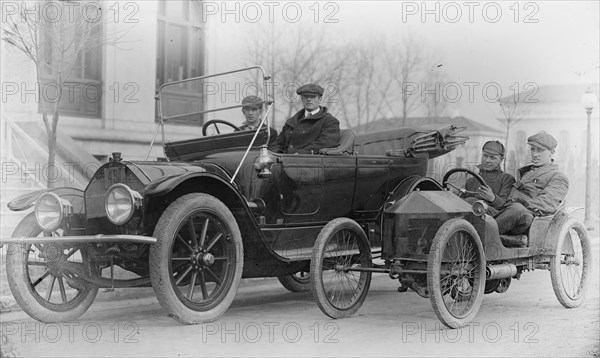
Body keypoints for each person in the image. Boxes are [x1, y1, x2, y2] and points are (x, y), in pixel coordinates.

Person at [494, 132, 569, 235]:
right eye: (532, 149)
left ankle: (476, 240)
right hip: (508, 212)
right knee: (476, 205)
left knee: (517, 209)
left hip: (529, 219)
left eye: (540, 150)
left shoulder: (558, 177)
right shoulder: (526, 172)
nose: (534, 154)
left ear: (551, 152)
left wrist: (519, 203)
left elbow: (547, 202)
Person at [269, 83, 340, 154]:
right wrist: (270, 155)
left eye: (313, 97)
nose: (309, 99)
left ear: (320, 99)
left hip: (309, 161)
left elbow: (325, 142)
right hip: (285, 160)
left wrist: (300, 153)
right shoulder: (291, 122)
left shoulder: (329, 121)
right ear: (302, 99)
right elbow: (278, 144)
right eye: (306, 96)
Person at [461, 141, 516, 215]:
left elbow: (506, 206)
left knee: (472, 201)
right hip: (470, 216)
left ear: (501, 160)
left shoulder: (507, 179)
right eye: (485, 156)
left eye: (492, 158)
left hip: (495, 219)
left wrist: (493, 198)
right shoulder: (471, 180)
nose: (487, 160)